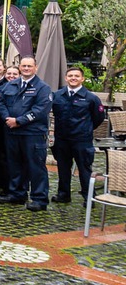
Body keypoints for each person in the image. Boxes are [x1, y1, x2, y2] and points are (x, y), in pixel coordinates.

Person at [0, 57, 53, 211]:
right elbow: (0, 103)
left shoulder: (43, 88)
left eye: (29, 66)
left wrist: (19, 121)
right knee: (14, 165)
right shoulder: (10, 85)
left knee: (36, 166)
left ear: (36, 67)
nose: (26, 68)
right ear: (19, 67)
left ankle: (39, 198)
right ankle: (17, 194)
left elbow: (40, 110)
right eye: (24, 66)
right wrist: (7, 119)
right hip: (12, 132)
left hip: (32, 133)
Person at [51, 67, 106, 205]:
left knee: (84, 169)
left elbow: (98, 118)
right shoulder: (57, 95)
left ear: (82, 79)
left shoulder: (91, 98)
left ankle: (89, 198)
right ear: (66, 78)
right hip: (62, 139)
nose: (73, 78)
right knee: (63, 168)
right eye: (70, 75)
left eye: (76, 76)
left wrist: (85, 129)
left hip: (82, 140)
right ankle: (63, 194)